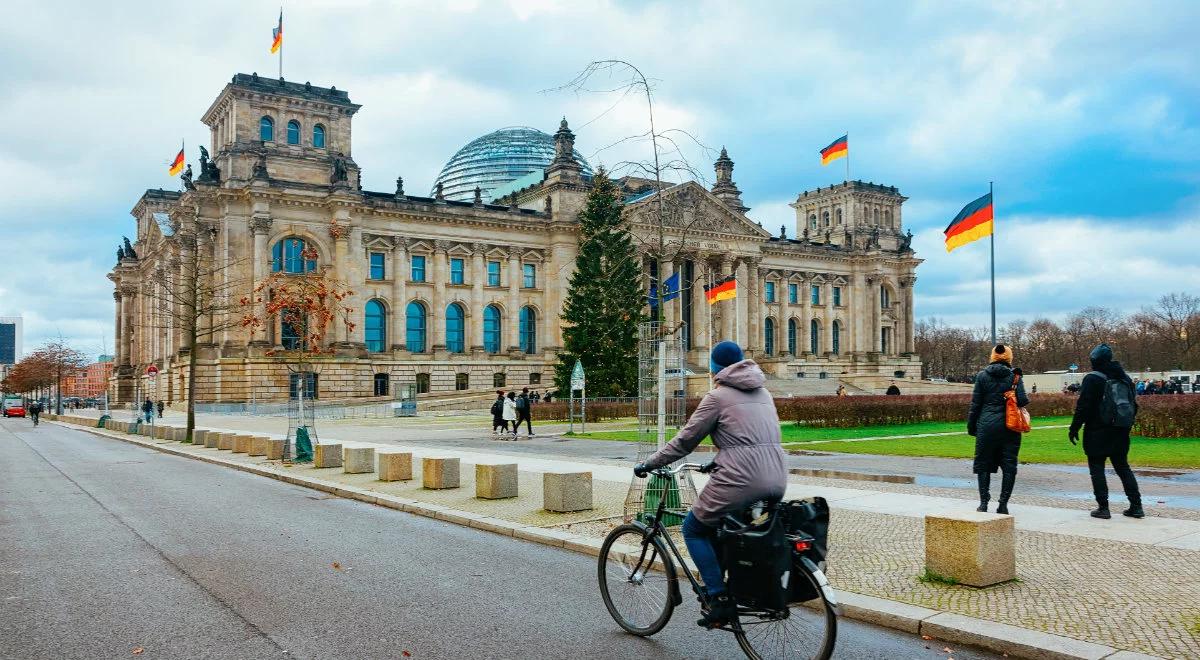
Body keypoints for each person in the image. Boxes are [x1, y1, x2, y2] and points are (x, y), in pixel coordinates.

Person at [633, 341, 787, 628]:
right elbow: (749, 437)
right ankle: (731, 587)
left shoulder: (717, 397)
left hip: (741, 479)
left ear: (715, 368)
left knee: (693, 528)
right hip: (776, 476)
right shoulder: (764, 392)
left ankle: (718, 598)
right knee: (726, 530)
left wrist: (650, 463)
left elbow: (685, 441)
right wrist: (719, 460)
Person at [1070, 344, 1143, 519]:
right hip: (1119, 429)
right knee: (1123, 468)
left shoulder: (1093, 379)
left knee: (1097, 469)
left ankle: (1103, 507)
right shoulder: (1124, 377)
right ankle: (1136, 505)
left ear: (1094, 360)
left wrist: (1075, 428)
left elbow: (1083, 407)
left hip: (1097, 430)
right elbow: (1133, 404)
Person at [967, 344, 1028, 515]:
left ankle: (983, 502)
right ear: (1009, 358)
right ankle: (1003, 503)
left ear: (992, 357)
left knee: (983, 464)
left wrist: (972, 426)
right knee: (1009, 465)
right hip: (1010, 426)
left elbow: (975, 404)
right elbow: (1023, 401)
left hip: (986, 426)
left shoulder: (981, 376)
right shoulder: (1015, 377)